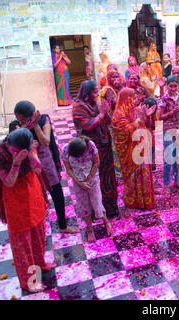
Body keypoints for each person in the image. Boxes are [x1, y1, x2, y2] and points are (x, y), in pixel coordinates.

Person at [0, 128, 53, 292]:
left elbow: (38, 169)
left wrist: (31, 154)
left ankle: (41, 264)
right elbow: (8, 182)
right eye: (15, 151)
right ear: (8, 142)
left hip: (34, 195)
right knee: (23, 247)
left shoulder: (29, 148)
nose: (16, 153)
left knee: (39, 236)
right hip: (16, 203)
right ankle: (29, 282)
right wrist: (16, 163)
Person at [10, 101, 78, 234]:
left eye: (23, 119)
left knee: (57, 194)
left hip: (47, 163)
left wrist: (35, 126)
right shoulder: (15, 126)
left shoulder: (43, 119)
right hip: (29, 164)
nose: (20, 121)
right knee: (35, 197)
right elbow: (16, 145)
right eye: (18, 119)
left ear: (31, 115)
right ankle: (36, 227)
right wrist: (24, 128)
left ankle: (62, 226)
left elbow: (46, 142)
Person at [72, 80, 119, 218]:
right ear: (86, 93)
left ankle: (109, 208)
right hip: (91, 150)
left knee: (107, 178)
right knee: (94, 178)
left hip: (105, 147)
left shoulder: (95, 103)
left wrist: (104, 111)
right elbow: (86, 126)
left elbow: (109, 122)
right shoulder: (78, 106)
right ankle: (95, 211)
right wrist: (101, 114)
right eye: (94, 92)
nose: (97, 94)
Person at [111, 88, 156, 210]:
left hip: (141, 148)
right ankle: (134, 202)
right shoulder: (118, 113)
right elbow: (122, 132)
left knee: (143, 174)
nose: (135, 100)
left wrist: (147, 117)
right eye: (133, 97)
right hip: (129, 151)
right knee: (132, 177)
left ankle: (144, 201)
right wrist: (139, 120)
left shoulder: (135, 110)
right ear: (126, 98)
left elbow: (146, 125)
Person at [62, 137, 113, 242]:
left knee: (97, 202)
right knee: (83, 205)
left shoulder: (90, 145)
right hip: (78, 181)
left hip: (92, 178)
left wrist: (89, 179)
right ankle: (90, 229)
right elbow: (68, 169)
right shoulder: (65, 150)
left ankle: (106, 221)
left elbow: (96, 163)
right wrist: (79, 182)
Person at [159, 75, 179, 193]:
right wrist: (172, 112)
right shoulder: (164, 99)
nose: (173, 88)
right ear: (167, 86)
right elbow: (161, 117)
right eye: (171, 86)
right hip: (168, 129)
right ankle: (165, 184)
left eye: (175, 86)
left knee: (177, 156)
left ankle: (176, 181)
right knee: (168, 157)